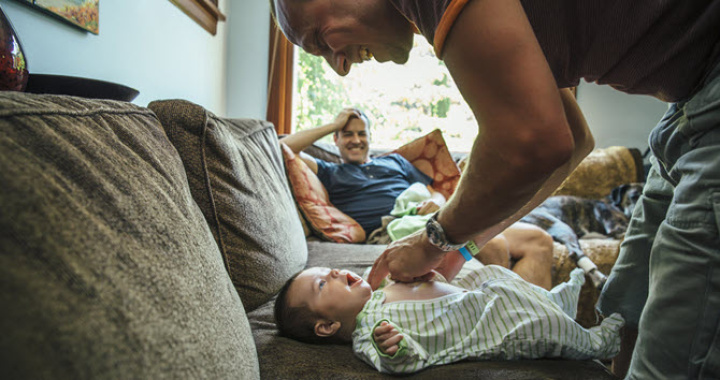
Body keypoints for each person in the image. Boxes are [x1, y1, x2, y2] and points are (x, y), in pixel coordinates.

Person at [269, 1, 720, 378]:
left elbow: (535, 140)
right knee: (629, 306)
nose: (340, 66)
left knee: (672, 349)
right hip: (684, 117)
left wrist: (436, 236)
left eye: (318, 38)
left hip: (709, 93)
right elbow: (571, 140)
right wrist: (458, 243)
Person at [279, 108, 554, 289]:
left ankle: (542, 327)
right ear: (336, 140)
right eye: (347, 134)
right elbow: (281, 146)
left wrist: (437, 202)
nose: (355, 139)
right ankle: (513, 319)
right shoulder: (330, 171)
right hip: (397, 227)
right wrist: (333, 123)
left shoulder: (394, 162)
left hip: (430, 215)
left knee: (539, 240)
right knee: (492, 243)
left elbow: (431, 189)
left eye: (361, 133)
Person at [273, 264, 624, 374]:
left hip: (475, 298)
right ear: (327, 326)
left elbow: (436, 288)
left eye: (327, 270)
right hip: (489, 327)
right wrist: (395, 349)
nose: (335, 271)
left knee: (494, 273)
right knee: (536, 323)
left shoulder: (378, 292)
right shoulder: (369, 332)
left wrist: (433, 278)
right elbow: (395, 363)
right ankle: (597, 343)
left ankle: (556, 300)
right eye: (323, 283)